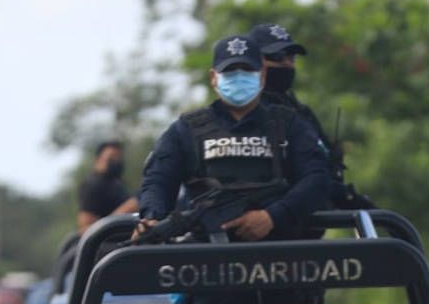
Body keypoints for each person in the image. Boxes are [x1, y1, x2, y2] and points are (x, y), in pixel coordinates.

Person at [137, 34, 330, 242]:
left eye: (247, 70)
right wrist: (152, 218)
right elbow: (158, 179)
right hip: (204, 251)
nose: (239, 78)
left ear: (262, 75)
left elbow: (317, 178)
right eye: (229, 71)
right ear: (213, 77)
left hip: (278, 250)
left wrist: (272, 216)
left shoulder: (289, 124)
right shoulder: (187, 129)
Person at [249, 21, 373, 210]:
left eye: (291, 57)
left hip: (314, 218)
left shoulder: (300, 112)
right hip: (270, 219)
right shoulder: (245, 113)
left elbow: (321, 168)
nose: (286, 63)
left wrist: (347, 197)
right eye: (277, 57)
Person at [77, 140, 138, 229]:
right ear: (98, 160)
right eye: (111, 158)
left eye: (119, 157)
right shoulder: (92, 185)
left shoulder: (117, 184)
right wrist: (127, 209)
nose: (116, 161)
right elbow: (86, 228)